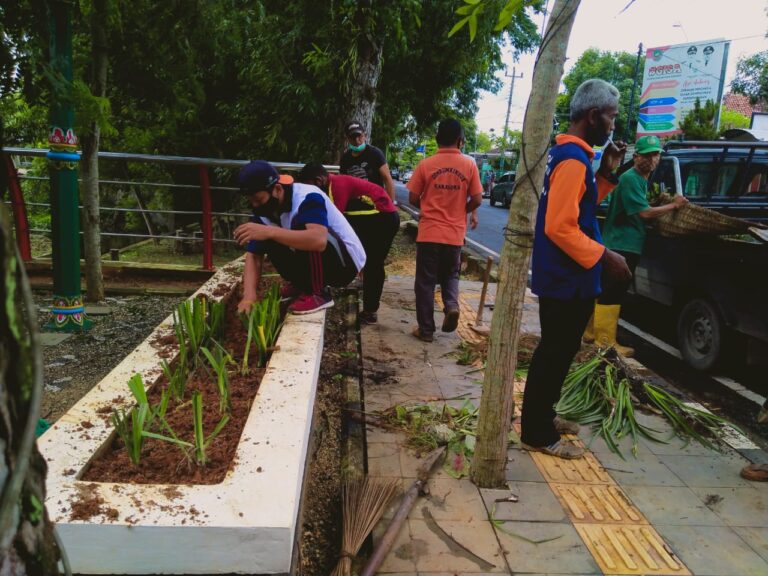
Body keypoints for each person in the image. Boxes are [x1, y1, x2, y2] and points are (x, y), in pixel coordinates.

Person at [520, 79, 632, 460]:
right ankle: (535, 431)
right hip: (566, 278)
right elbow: (559, 226)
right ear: (593, 115)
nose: (613, 125)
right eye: (611, 117)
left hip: (569, 277)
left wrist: (607, 172)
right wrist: (606, 257)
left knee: (561, 351)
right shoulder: (570, 159)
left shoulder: (574, 156)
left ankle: (544, 416)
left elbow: (582, 206)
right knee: (554, 353)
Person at [593, 135, 687, 356]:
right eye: (647, 155)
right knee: (613, 292)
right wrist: (674, 205)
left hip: (626, 242)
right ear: (636, 157)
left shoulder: (640, 180)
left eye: (655, 155)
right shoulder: (630, 178)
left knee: (605, 289)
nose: (652, 159)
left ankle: (591, 334)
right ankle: (604, 342)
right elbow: (644, 213)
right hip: (622, 244)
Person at [234, 160, 365, 315]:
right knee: (268, 234)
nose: (255, 206)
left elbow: (318, 240)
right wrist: (249, 296)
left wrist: (270, 232)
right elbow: (254, 256)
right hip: (326, 260)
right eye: (251, 201)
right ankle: (301, 285)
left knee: (294, 229)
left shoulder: (307, 197)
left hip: (345, 264)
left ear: (277, 189)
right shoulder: (263, 212)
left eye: (259, 200)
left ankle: (317, 293)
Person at [407, 118, 483, 342]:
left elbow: (412, 197)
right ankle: (451, 305)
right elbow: (477, 198)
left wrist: (428, 208)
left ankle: (426, 330)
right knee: (451, 274)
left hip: (429, 232)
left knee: (425, 281)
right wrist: (461, 211)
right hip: (454, 234)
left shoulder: (426, 164)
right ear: (460, 141)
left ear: (437, 139)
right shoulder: (469, 165)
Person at [297, 163, 400, 324]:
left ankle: (370, 311)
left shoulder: (338, 185)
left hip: (383, 218)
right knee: (364, 259)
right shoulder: (330, 185)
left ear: (318, 180)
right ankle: (364, 291)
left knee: (373, 263)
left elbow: (335, 221)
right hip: (368, 217)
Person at [340, 120, 396, 202]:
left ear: (365, 135)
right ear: (347, 139)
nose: (357, 140)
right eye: (352, 137)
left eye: (359, 136)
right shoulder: (345, 158)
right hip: (353, 203)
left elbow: (387, 179)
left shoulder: (375, 154)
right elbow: (343, 183)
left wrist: (391, 205)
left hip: (375, 202)